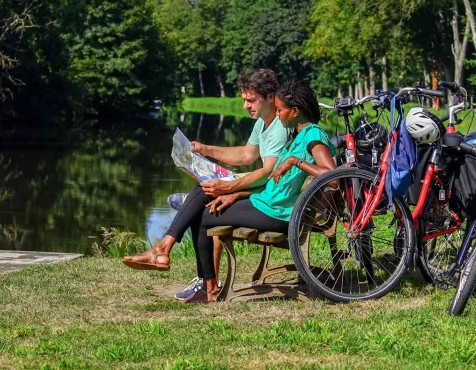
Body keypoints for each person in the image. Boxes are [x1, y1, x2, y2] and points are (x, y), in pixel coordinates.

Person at [124, 79, 335, 303]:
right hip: (267, 204)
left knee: (203, 215)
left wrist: (294, 161)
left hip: (278, 215)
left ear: (294, 111)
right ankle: (176, 261)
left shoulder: (313, 135)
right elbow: (269, 180)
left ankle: (198, 279)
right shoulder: (299, 135)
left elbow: (332, 177)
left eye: (281, 110)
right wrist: (236, 194)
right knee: (203, 202)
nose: (278, 114)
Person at [169, 68, 289, 301]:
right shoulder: (263, 123)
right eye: (244, 100)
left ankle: (204, 281)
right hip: (264, 193)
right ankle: (204, 281)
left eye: (251, 100)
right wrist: (206, 150)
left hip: (271, 200)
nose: (246, 105)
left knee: (205, 206)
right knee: (205, 198)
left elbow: (268, 172)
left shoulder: (279, 128)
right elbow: (246, 155)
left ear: (270, 96)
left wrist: (230, 188)